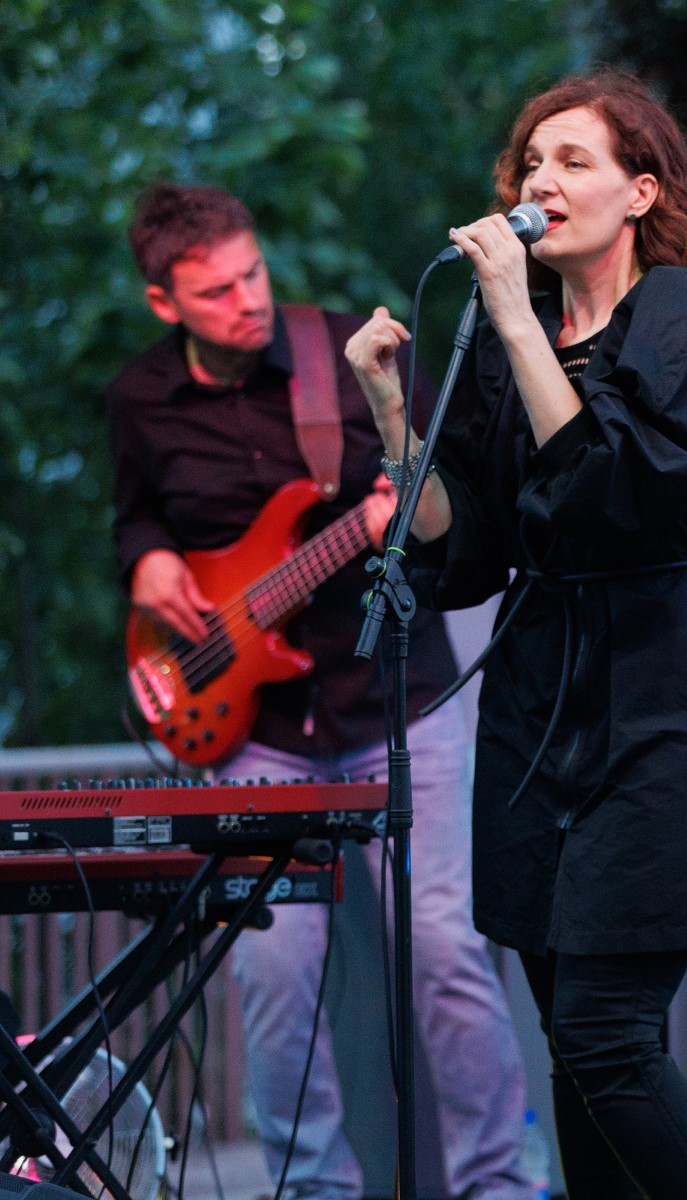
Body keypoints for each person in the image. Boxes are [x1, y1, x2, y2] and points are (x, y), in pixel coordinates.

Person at [346, 71, 687, 1200]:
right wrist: (393, 415)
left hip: (668, 693)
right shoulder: (511, 343)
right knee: (575, 1054)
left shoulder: (686, 311)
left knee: (606, 1034)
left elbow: (614, 490)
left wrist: (507, 312)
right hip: (543, 702)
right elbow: (468, 544)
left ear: (641, 191)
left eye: (572, 160)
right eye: (531, 163)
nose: (541, 181)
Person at [106, 182, 530, 1200]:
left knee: (447, 953)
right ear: (165, 303)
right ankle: (313, 1190)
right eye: (215, 291)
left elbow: (452, 494)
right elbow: (135, 515)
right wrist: (147, 561)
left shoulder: (350, 352)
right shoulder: (138, 399)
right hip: (250, 726)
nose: (247, 300)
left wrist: (409, 504)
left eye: (252, 273)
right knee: (273, 975)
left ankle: (503, 1186)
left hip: (393, 701)